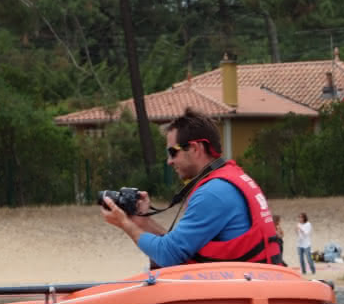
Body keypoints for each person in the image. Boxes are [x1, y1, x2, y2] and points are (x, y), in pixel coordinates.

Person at [100, 108, 281, 267]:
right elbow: (180, 247)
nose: (169, 161)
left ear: (195, 148)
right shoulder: (229, 180)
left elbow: (168, 255)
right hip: (255, 283)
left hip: (241, 292)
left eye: (173, 152)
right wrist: (142, 222)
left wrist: (124, 223)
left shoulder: (214, 193)